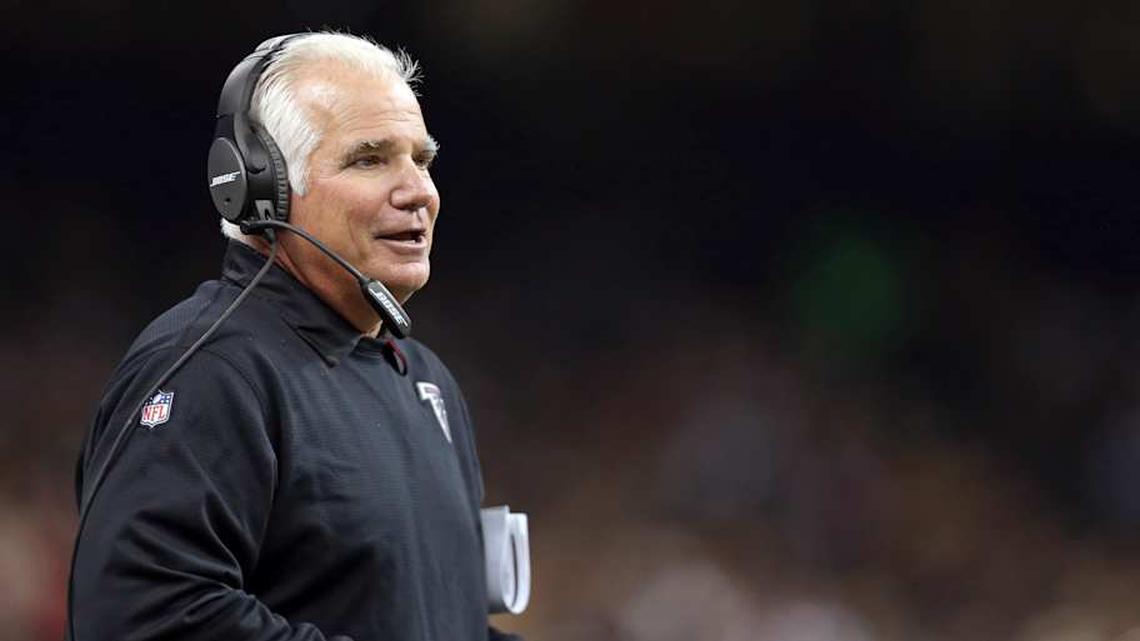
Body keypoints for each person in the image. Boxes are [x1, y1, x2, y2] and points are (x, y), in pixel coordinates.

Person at [70, 32, 521, 641]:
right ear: (259, 187)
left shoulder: (425, 379)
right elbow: (146, 616)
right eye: (369, 158)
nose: (419, 191)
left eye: (421, 159)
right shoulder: (211, 369)